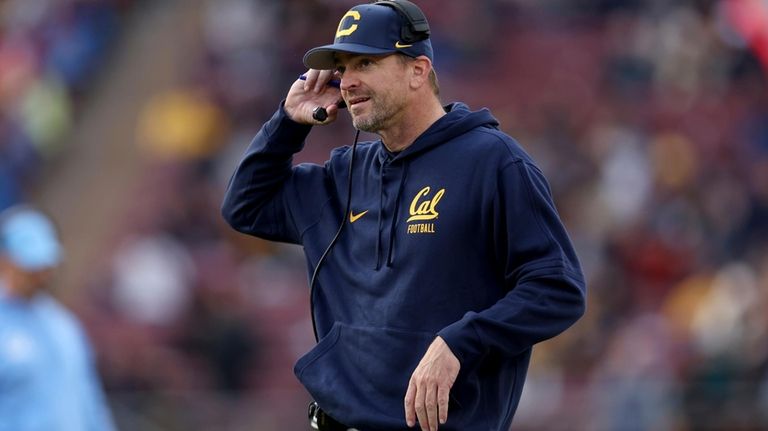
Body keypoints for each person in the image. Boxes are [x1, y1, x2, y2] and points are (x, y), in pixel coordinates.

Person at [221, 1, 586, 430]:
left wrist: (460, 343)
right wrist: (288, 122)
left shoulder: (493, 162)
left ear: (418, 70)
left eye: (365, 62)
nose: (348, 81)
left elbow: (558, 288)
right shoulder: (344, 175)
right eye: (342, 66)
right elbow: (245, 206)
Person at [0, 205, 116, 431]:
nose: (41, 274)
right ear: (5, 260)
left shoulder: (64, 326)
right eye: (30, 266)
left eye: (45, 265)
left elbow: (88, 400)